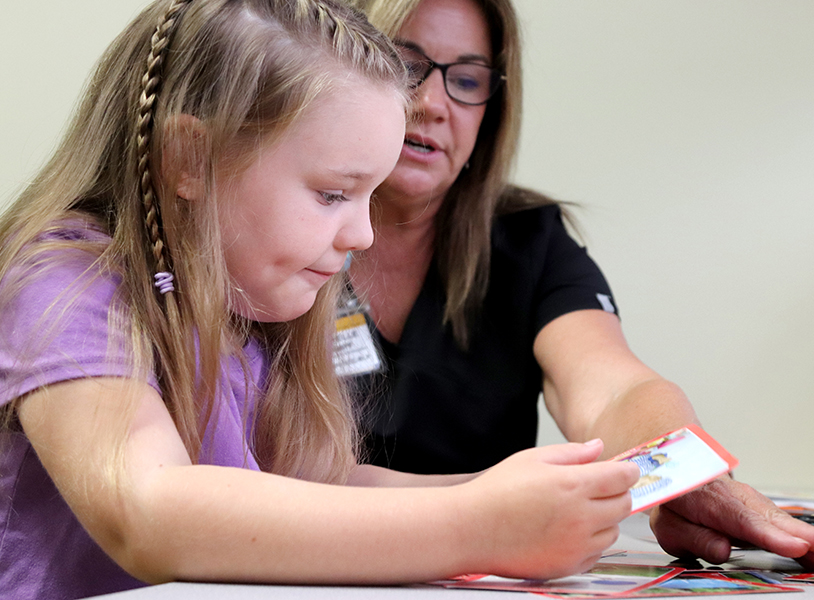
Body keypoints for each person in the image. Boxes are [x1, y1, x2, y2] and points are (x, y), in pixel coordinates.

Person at [0, 0, 644, 598]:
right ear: (189, 158)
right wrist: (477, 524)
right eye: (335, 194)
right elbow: (149, 509)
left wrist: (516, 495)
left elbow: (314, 487)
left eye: (370, 197)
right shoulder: (67, 282)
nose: (363, 234)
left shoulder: (243, 307)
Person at [343, 0, 814, 570]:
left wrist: (680, 470)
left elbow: (614, 389)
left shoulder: (527, 241)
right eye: (405, 66)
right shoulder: (271, 233)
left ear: (494, 107)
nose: (431, 104)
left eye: (466, 80)